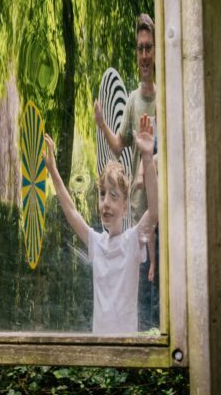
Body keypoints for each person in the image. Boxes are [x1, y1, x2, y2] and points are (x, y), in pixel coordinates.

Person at [44, 115, 157, 334]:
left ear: (125, 206)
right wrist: (53, 171)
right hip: (100, 349)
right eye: (103, 194)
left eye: (114, 196)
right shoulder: (97, 242)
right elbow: (72, 211)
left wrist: (146, 156)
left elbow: (154, 211)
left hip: (126, 352)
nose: (105, 203)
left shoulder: (133, 241)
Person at [93, 13, 158, 330]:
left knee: (156, 285)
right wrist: (103, 124)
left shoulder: (165, 99)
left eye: (149, 48)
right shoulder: (132, 101)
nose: (144, 55)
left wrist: (150, 167)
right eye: (140, 48)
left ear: (157, 52)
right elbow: (118, 146)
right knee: (139, 292)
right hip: (136, 212)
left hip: (158, 212)